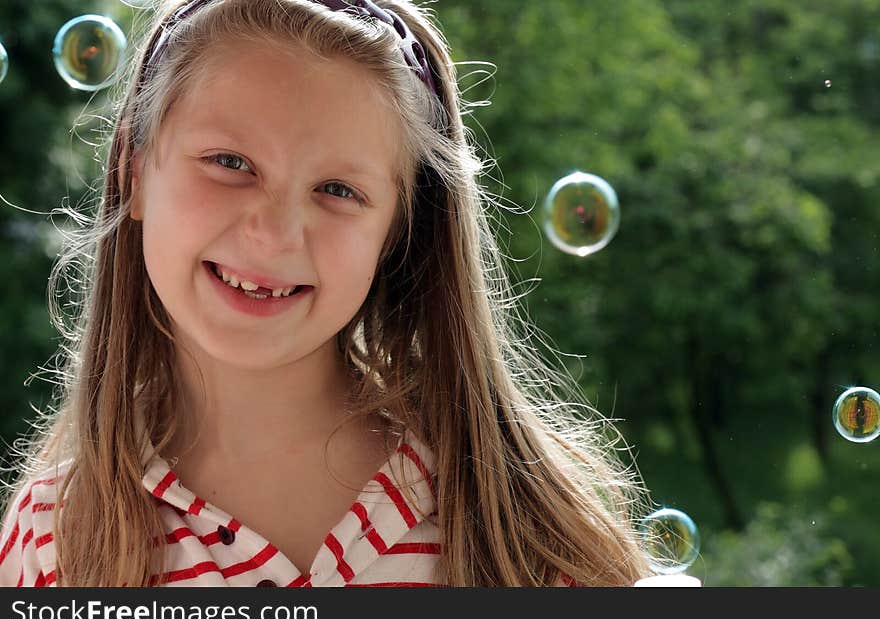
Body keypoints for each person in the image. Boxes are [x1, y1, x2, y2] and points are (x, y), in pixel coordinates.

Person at [0, 0, 660, 587]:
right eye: (230, 162)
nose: (275, 233)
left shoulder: (516, 525)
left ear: (398, 231)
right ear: (133, 171)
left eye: (339, 190)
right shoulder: (57, 534)